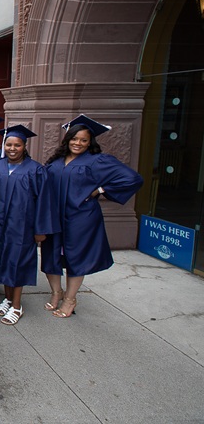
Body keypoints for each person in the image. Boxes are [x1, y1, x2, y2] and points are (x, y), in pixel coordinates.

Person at [42, 115, 143, 318]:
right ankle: (56, 292)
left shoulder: (97, 161)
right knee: (50, 255)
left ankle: (70, 299)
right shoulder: (57, 161)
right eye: (74, 138)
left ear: (90, 142)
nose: (77, 143)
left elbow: (132, 178)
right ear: (67, 139)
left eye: (83, 140)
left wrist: (101, 189)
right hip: (53, 217)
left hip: (81, 218)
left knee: (75, 258)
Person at [0, 124, 56, 325]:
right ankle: (8, 299)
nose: (12, 148)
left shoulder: (35, 170)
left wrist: (41, 229)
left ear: (24, 146)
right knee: (3, 262)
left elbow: (44, 202)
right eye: (8, 144)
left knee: (17, 263)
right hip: (0, 226)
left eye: (17, 145)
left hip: (23, 227)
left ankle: (17, 306)